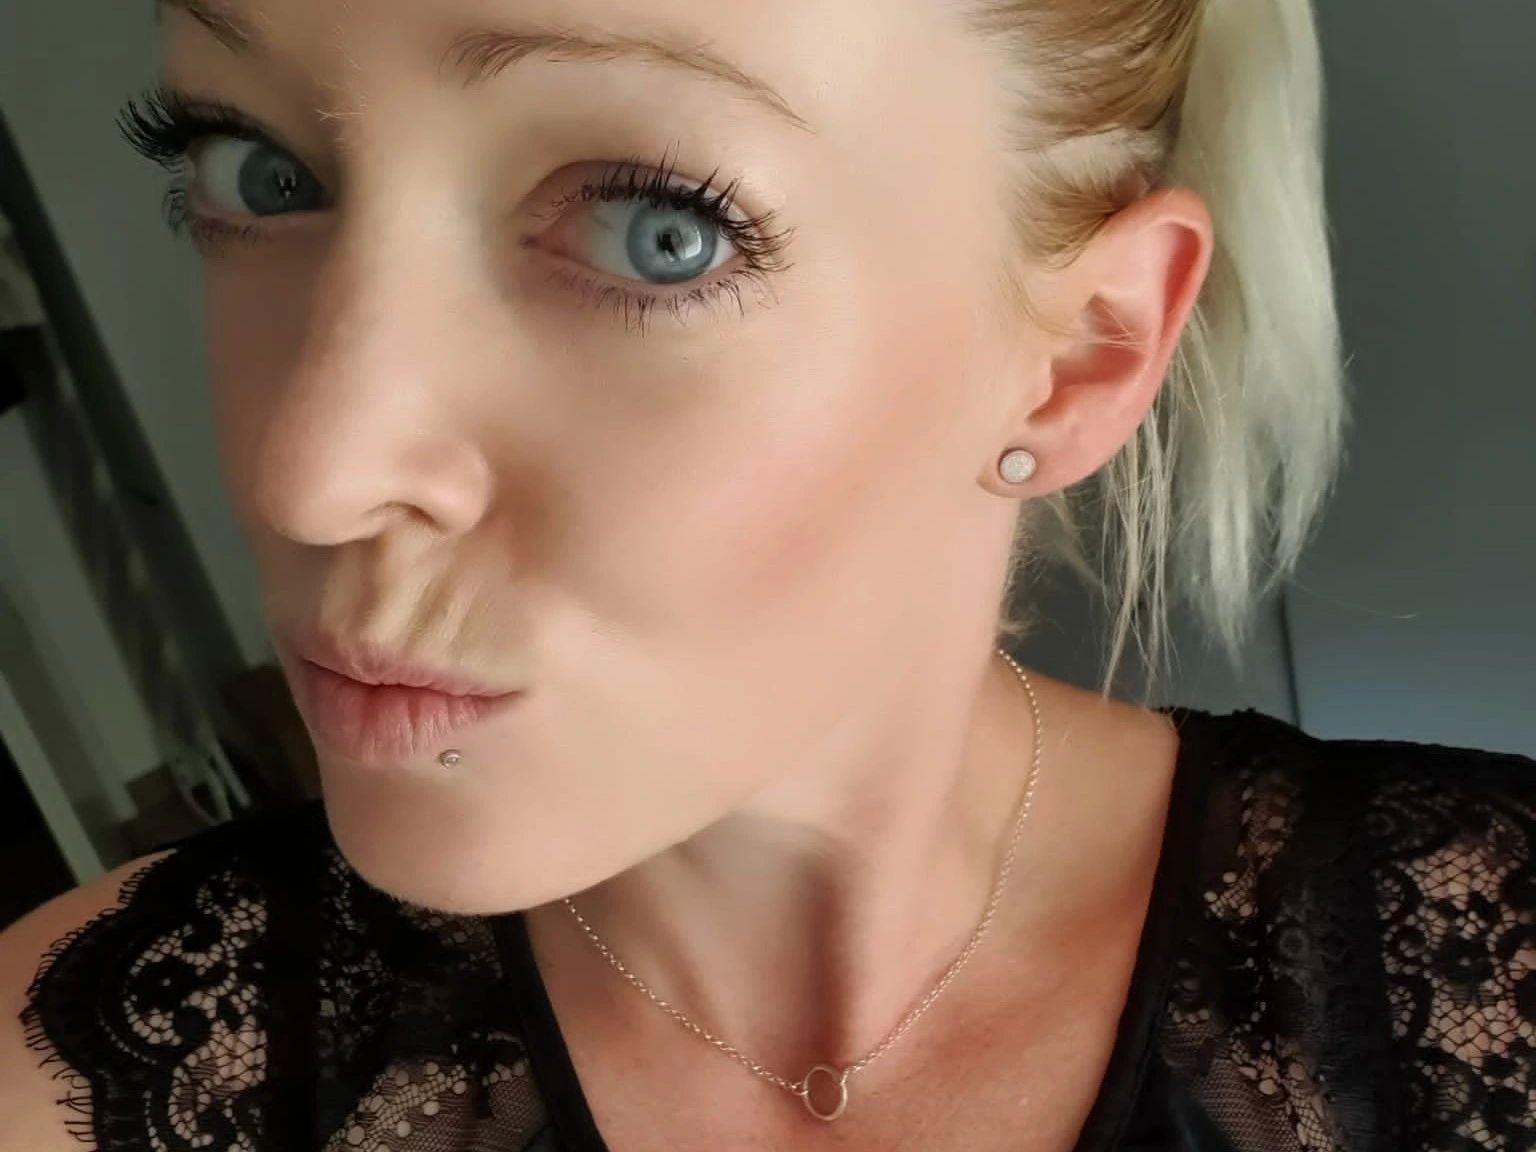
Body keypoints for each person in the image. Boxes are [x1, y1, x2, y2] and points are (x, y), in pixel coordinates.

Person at [2, 0, 1533, 1147]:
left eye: (655, 229)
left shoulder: (1492, 981)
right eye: (263, 172)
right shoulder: (70, 1077)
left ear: (1082, 357)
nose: (311, 474)